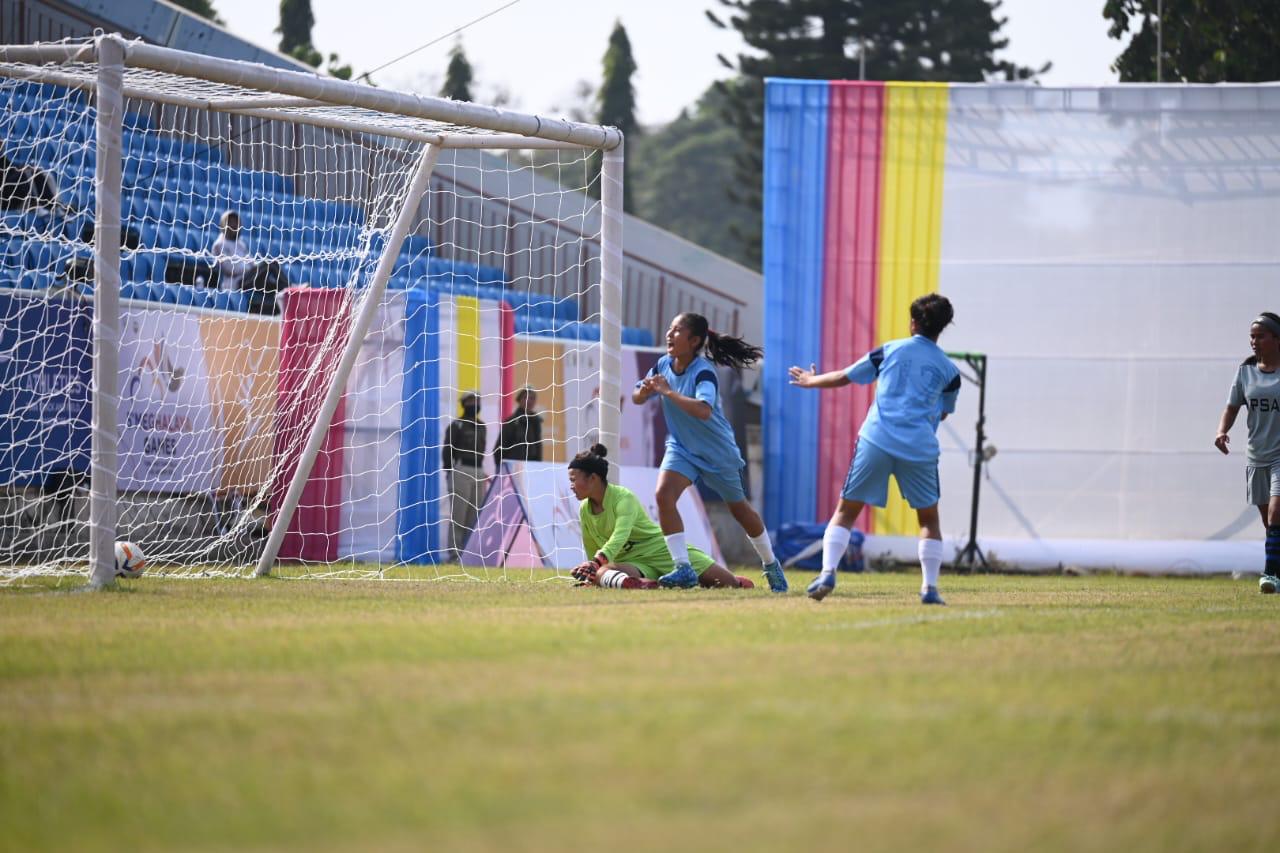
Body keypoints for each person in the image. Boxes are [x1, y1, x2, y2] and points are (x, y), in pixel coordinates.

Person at [789, 293, 961, 605]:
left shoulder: (890, 350)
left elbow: (845, 377)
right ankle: (929, 589)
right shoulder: (950, 372)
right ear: (943, 327)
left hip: (877, 440)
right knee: (928, 520)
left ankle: (828, 572)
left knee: (846, 511)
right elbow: (945, 411)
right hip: (919, 448)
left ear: (913, 322)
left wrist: (811, 381)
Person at [632, 312, 787, 592]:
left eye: (677, 330)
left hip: (717, 452)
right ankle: (683, 569)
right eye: (669, 328)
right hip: (681, 447)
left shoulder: (704, 371)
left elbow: (703, 411)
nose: (669, 334)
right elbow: (636, 396)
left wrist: (666, 392)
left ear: (693, 341)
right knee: (663, 496)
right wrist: (643, 391)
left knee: (740, 511)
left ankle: (771, 564)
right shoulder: (662, 364)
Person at [567, 444, 754, 590]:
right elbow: (591, 544)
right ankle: (644, 585)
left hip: (661, 551)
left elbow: (620, 536)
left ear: (593, 478)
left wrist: (596, 562)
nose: (571, 486)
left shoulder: (623, 498)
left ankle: (734, 581)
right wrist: (593, 572)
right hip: (633, 562)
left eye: (574, 479)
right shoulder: (585, 509)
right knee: (602, 574)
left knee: (727, 583)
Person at [1215, 311, 1280, 593]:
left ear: (1276, 340)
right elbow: (1232, 406)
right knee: (1270, 523)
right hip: (1257, 455)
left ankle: (1270, 576)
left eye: (1260, 336)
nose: (1254, 341)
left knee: (1277, 514)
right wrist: (1221, 431)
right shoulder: (1245, 372)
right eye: (1252, 337)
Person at [209, 210, 286, 313]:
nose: (234, 225)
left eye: (236, 223)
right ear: (224, 224)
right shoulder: (219, 245)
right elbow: (230, 268)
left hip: (248, 277)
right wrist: (251, 269)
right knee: (270, 265)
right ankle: (292, 288)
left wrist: (255, 268)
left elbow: (251, 261)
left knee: (273, 284)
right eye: (230, 222)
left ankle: (290, 298)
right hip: (237, 283)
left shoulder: (240, 243)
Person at [442, 391, 488, 560]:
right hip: (461, 469)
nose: (475, 404)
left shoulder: (482, 426)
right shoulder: (456, 425)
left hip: (478, 470)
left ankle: (469, 554)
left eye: (477, 400)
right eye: (471, 400)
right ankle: (454, 554)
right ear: (463, 403)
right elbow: (447, 450)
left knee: (474, 516)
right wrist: (449, 471)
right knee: (458, 516)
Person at [493, 387, 543, 467]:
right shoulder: (511, 422)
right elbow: (500, 448)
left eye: (532, 398)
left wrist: (539, 466)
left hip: (531, 468)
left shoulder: (536, 422)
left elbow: (538, 449)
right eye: (525, 397)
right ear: (519, 400)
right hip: (513, 468)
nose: (529, 401)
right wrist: (501, 468)